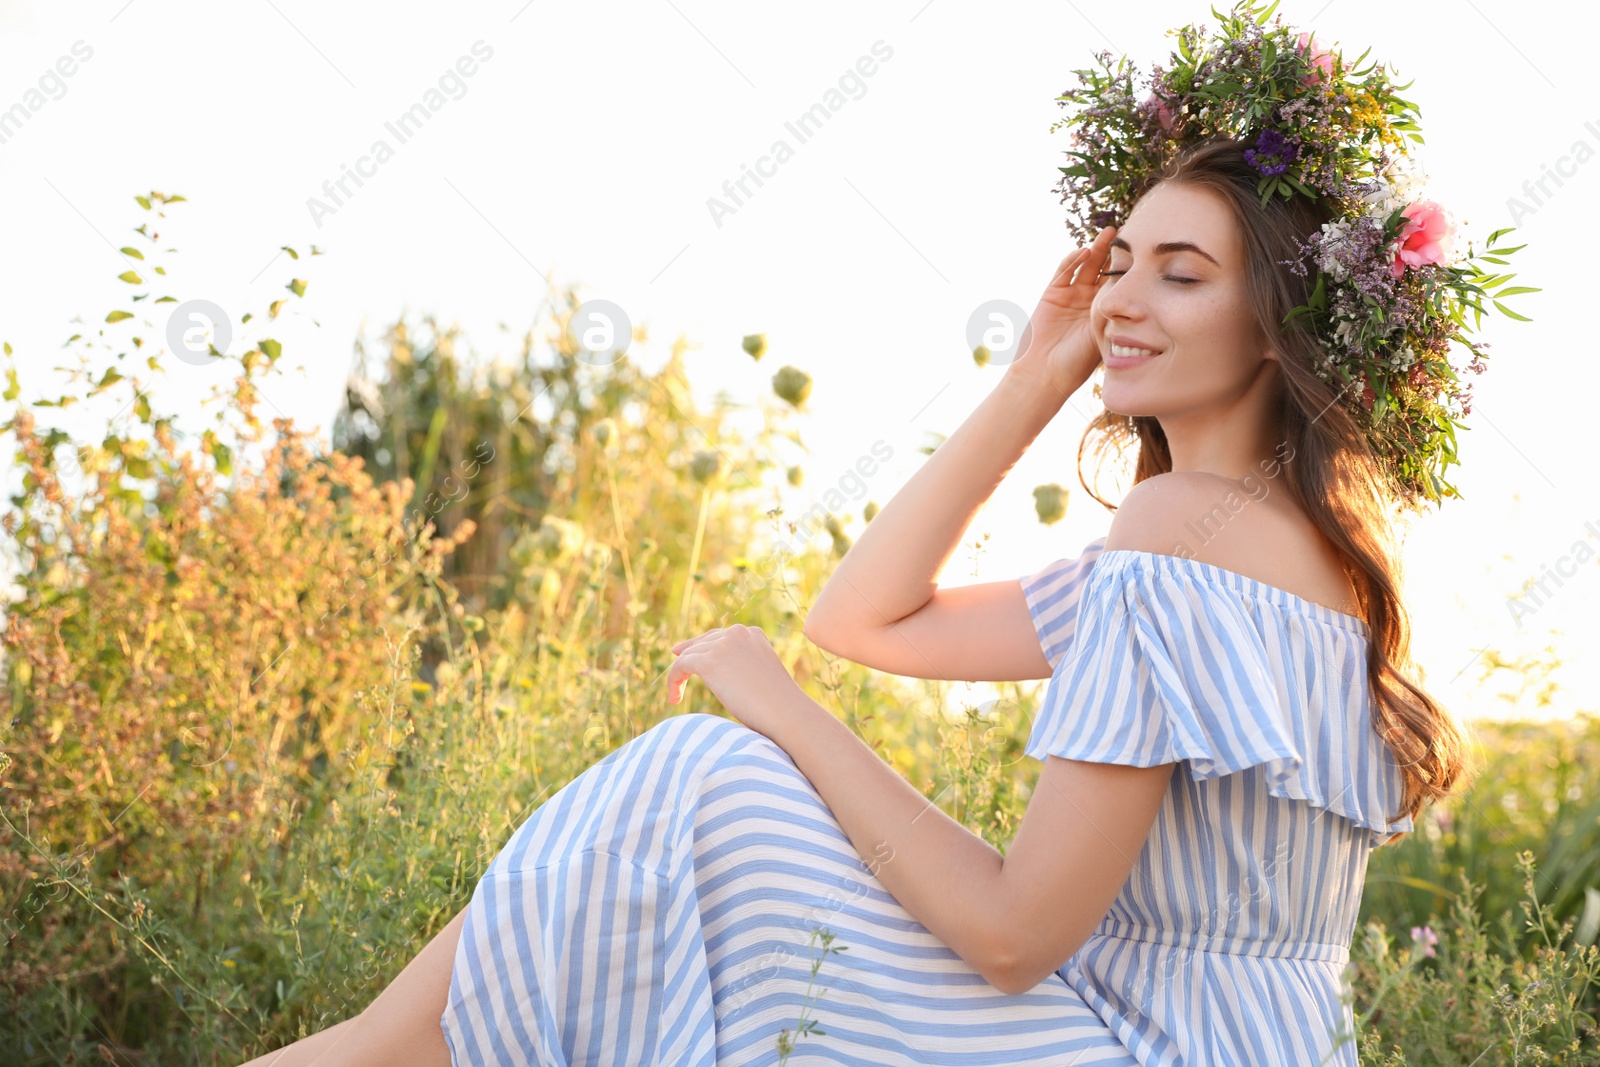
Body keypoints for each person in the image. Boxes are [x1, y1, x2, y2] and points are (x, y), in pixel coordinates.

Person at [238, 3, 1519, 1063]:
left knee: (705, 783)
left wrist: (779, 707)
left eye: (1180, 273)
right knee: (691, 800)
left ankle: (346, 1053)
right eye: (1119, 260)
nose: (1124, 296)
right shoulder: (1311, 557)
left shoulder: (1176, 532)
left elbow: (1014, 935)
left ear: (1280, 325)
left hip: (1138, 1045)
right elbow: (868, 616)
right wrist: (1035, 374)